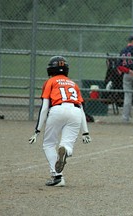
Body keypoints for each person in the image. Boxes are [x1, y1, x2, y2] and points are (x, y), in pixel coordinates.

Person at [28, 56, 92, 187]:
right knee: (67, 144)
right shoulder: (73, 84)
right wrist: (85, 132)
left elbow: (45, 107)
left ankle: (57, 177)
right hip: (75, 112)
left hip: (57, 110)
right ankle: (65, 151)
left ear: (51, 69)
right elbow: (81, 109)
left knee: (49, 144)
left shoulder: (50, 81)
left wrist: (37, 130)